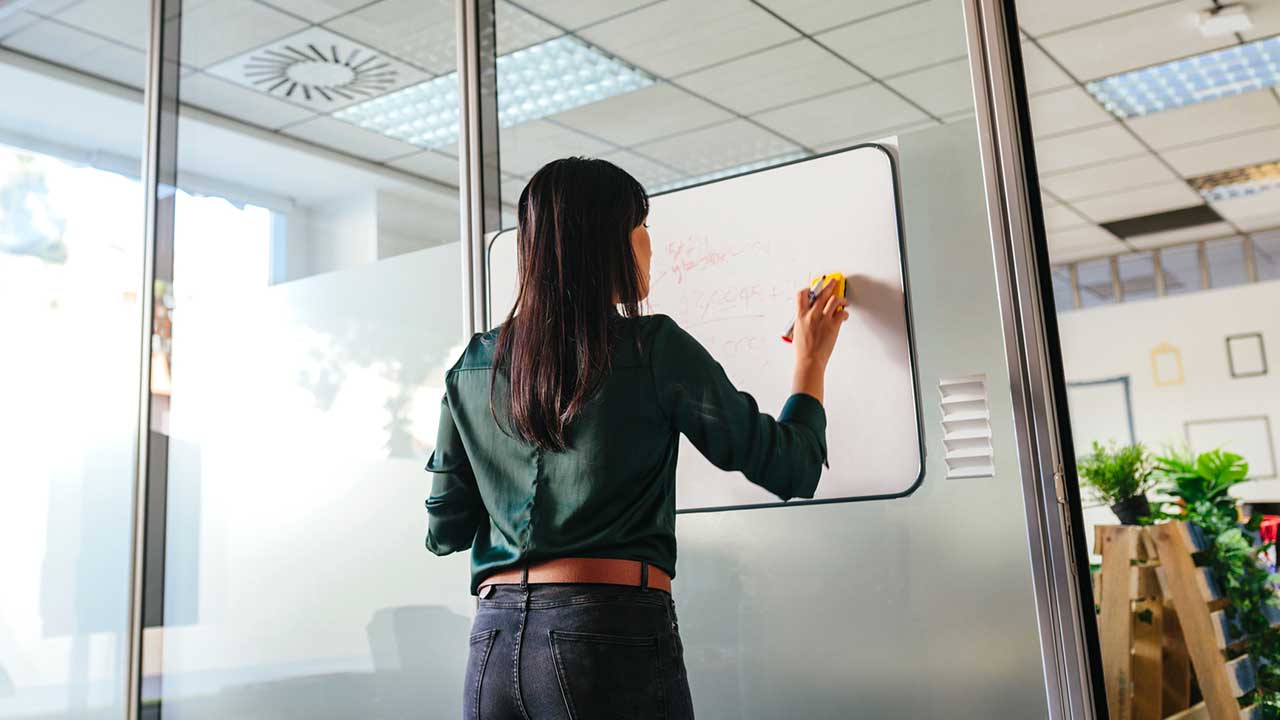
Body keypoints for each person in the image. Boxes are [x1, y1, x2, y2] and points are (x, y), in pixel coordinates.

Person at [425, 157, 850, 719]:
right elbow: (790, 468)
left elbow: (444, 530)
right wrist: (811, 363)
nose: (650, 243)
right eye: (642, 226)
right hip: (604, 636)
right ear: (608, 242)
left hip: (494, 648)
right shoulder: (653, 349)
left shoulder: (474, 365)